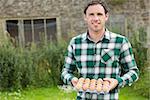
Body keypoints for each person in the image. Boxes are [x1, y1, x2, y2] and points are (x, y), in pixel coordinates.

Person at [61, 0, 139, 100]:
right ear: (85, 17)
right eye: (91, 14)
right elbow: (66, 72)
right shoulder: (75, 43)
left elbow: (133, 72)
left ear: (106, 16)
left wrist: (117, 81)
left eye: (99, 14)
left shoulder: (120, 42)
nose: (96, 18)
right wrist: (72, 80)